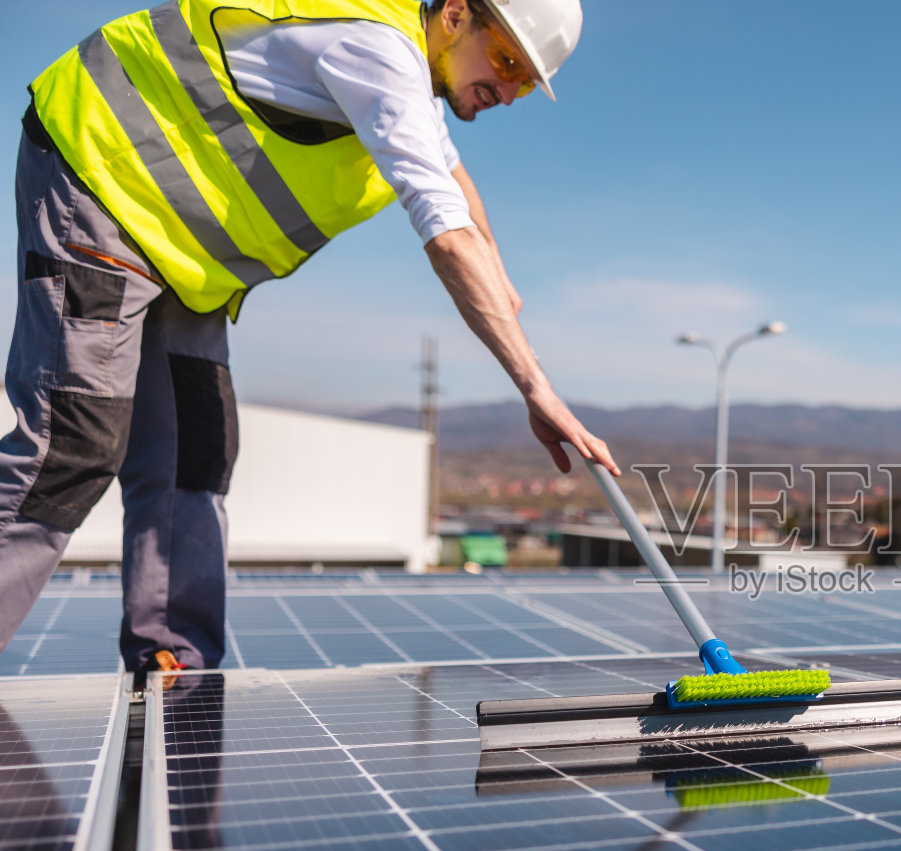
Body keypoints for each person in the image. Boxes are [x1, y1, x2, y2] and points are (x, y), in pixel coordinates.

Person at [0, 0, 618, 673]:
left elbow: (455, 180)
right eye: (505, 62)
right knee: (73, 441)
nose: (507, 92)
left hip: (178, 249)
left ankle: (173, 663)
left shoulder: (416, 85)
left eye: (525, 82)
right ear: (457, 14)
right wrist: (534, 384)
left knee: (196, 450)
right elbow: (442, 225)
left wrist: (497, 271)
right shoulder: (379, 54)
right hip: (102, 173)